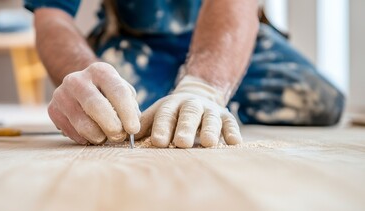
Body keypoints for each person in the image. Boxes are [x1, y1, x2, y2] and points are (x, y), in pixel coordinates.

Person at [24, 0, 344, 148]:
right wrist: (83, 76)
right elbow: (52, 17)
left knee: (319, 101)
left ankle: (203, 104)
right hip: (139, 46)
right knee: (115, 111)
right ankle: (189, 106)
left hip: (228, 38)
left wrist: (204, 87)